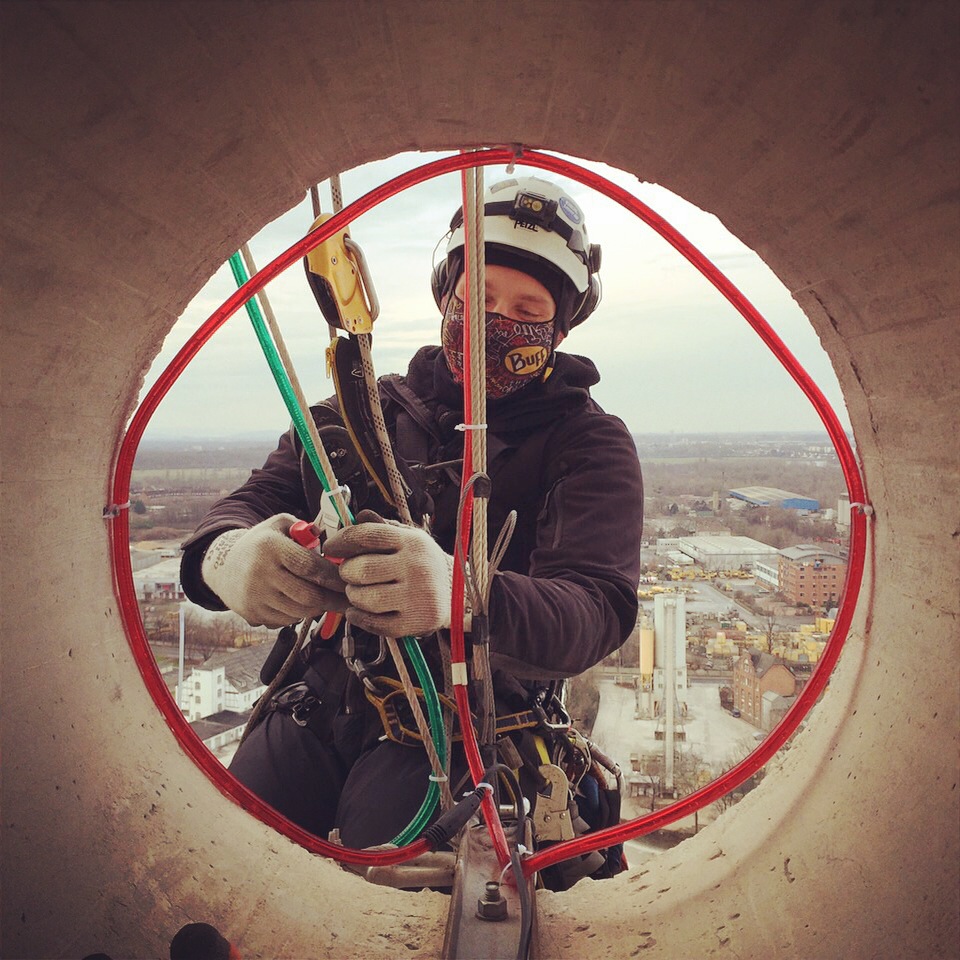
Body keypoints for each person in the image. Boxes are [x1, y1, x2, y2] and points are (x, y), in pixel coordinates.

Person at [180, 175, 643, 861]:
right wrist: (229, 558)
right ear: (447, 294)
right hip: (321, 702)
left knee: (402, 891)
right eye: (479, 296)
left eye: (526, 307)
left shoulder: (584, 443)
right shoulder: (359, 415)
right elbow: (250, 504)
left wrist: (464, 596)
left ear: (561, 327)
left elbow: (594, 608)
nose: (494, 320)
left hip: (472, 730)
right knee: (220, 864)